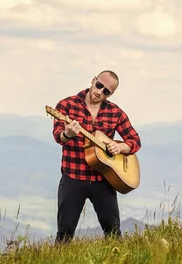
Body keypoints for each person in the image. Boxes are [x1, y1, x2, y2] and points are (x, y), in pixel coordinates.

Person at [51, 70, 142, 244]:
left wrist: (120, 146)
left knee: (113, 232)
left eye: (106, 91)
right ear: (93, 80)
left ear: (111, 94)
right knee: (64, 233)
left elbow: (135, 141)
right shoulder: (66, 105)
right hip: (73, 177)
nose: (100, 92)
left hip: (104, 179)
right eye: (99, 85)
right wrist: (68, 134)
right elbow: (58, 137)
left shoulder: (116, 113)